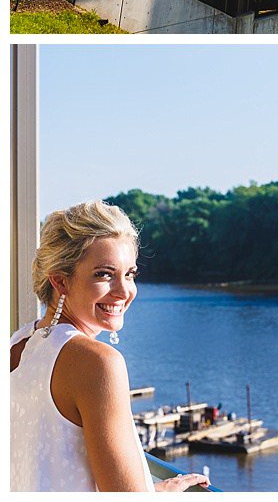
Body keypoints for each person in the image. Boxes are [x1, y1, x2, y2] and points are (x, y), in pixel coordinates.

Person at [10, 200, 209, 492]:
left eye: (129, 274)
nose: (124, 291)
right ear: (60, 281)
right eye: (104, 274)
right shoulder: (97, 363)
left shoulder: (17, 344)